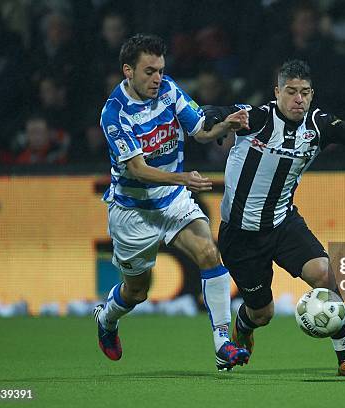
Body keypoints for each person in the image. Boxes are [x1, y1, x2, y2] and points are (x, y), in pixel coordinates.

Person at [203, 59, 345, 376]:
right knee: (263, 313)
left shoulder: (318, 124)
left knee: (326, 275)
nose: (299, 99)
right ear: (277, 92)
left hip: (283, 224)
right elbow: (219, 110)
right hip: (241, 236)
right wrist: (214, 114)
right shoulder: (256, 118)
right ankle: (244, 325)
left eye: (305, 92)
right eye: (292, 92)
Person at [94, 33, 250, 370]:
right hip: (132, 213)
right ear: (128, 71)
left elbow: (201, 131)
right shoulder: (114, 114)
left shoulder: (168, 90)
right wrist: (184, 177)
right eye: (149, 71)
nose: (157, 78)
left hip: (172, 201)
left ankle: (223, 343)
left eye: (161, 70)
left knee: (209, 252)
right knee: (137, 292)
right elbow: (137, 170)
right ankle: (106, 320)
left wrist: (227, 124)